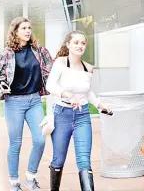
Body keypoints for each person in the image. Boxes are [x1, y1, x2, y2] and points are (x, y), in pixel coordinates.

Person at [0, 18, 53, 191]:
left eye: (29, 28)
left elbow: (51, 70)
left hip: (34, 101)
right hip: (14, 102)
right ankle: (14, 183)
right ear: (15, 31)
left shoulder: (39, 51)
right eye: (23, 28)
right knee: (15, 143)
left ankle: (31, 178)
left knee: (39, 140)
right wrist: (2, 84)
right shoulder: (6, 53)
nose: (27, 31)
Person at [45, 31, 111, 191]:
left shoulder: (88, 68)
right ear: (68, 44)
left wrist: (100, 104)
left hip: (82, 116)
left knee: (84, 161)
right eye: (76, 43)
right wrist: (67, 94)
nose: (80, 46)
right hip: (62, 115)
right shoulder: (60, 63)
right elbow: (50, 86)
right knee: (58, 159)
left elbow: (87, 92)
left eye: (83, 43)